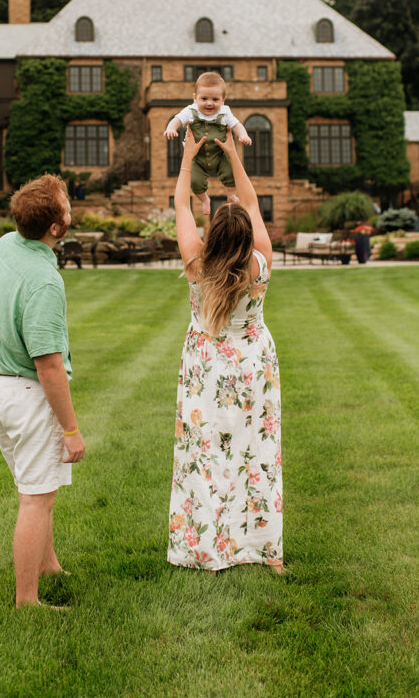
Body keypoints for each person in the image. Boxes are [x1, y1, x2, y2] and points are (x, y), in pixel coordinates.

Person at [167, 128, 284, 573]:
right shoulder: (261, 260)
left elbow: (180, 205)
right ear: (249, 236)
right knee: (258, 453)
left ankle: (207, 548)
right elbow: (250, 203)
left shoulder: (197, 263)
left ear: (213, 234)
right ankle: (264, 551)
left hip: (208, 368)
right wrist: (235, 157)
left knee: (206, 452)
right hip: (254, 365)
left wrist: (187, 160)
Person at [0, 173, 86, 608]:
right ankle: (27, 601)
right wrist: (70, 430)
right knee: (36, 500)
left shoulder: (6, 245)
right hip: (27, 395)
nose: (70, 205)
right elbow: (49, 366)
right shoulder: (45, 283)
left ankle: (49, 565)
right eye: (66, 203)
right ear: (57, 228)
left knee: (37, 487)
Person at [164, 72, 252, 217]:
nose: (209, 103)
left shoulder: (225, 113)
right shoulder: (191, 111)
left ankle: (231, 195)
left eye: (215, 99)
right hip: (198, 158)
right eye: (204, 98)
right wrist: (171, 128)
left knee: (232, 173)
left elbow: (237, 125)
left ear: (223, 100)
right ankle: (205, 199)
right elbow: (177, 119)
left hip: (219, 155)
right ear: (195, 98)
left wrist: (243, 135)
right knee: (195, 181)